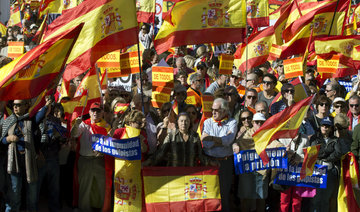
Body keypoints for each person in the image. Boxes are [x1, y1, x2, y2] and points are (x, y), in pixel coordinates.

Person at [1, 99, 50, 212]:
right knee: (14, 192)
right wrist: (8, 139)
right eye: (14, 105)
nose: (15, 107)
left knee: (32, 194)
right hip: (14, 161)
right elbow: (1, 140)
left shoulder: (31, 120)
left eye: (18, 105)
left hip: (30, 160)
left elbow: (41, 114)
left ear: (25, 106)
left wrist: (47, 103)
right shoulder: (8, 121)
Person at [71, 102, 111, 211]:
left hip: (100, 160)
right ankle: (84, 209)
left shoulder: (107, 127)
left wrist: (103, 151)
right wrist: (75, 125)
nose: (95, 113)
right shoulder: (84, 124)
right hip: (85, 160)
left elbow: (110, 143)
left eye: (98, 111)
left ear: (102, 112)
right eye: (93, 110)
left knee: (102, 186)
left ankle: (102, 208)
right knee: (85, 187)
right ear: (89, 112)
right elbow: (74, 134)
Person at [201, 98, 237, 212]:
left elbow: (229, 140)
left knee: (224, 192)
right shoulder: (207, 122)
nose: (213, 112)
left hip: (225, 162)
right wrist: (221, 140)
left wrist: (212, 138)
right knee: (210, 192)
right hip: (210, 161)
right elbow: (206, 143)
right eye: (212, 109)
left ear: (225, 110)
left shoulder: (232, 122)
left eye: (217, 110)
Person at [232, 113, 269, 212]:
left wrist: (282, 148)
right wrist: (235, 145)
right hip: (247, 169)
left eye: (262, 122)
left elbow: (275, 144)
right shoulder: (246, 134)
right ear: (252, 123)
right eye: (257, 122)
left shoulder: (268, 134)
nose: (259, 124)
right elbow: (236, 142)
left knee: (261, 198)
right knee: (245, 197)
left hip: (262, 170)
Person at [37, 101, 67, 212]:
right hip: (41, 156)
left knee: (54, 187)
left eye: (51, 106)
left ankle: (54, 208)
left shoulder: (56, 121)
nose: (49, 108)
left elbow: (61, 137)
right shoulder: (38, 118)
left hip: (53, 157)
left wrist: (61, 139)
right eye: (47, 106)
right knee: (36, 187)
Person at [309, 117, 339, 212]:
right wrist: (326, 153)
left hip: (330, 171)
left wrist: (325, 156)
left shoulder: (335, 140)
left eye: (327, 126)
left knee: (326, 198)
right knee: (315, 199)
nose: (325, 128)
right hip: (316, 170)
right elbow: (314, 153)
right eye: (323, 125)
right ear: (320, 126)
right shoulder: (315, 138)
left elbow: (337, 153)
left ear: (331, 128)